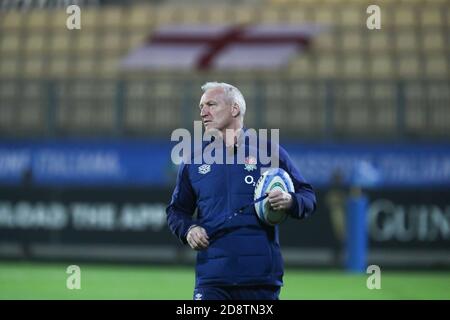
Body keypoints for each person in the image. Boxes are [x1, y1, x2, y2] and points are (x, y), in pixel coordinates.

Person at [166, 82, 316, 300]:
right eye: (201, 106)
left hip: (260, 279)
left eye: (211, 104)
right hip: (212, 280)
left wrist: (290, 200)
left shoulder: (269, 151)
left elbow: (308, 197)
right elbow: (176, 211)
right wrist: (189, 230)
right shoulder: (193, 159)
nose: (203, 112)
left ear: (234, 109)